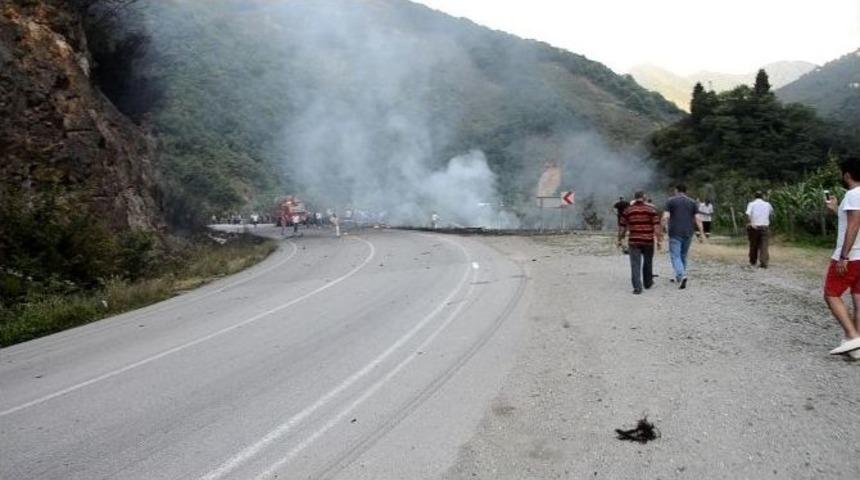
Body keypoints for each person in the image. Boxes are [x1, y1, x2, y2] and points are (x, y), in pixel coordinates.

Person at [824, 156, 860, 357]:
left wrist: (844, 256)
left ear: (847, 175)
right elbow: (849, 221)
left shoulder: (854, 194)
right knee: (858, 297)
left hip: (851, 256)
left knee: (831, 294)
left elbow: (854, 225)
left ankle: (853, 337)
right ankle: (856, 347)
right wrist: (835, 210)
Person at [618, 191, 662, 294]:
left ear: (635, 197)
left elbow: (622, 226)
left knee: (635, 264)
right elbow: (656, 226)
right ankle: (648, 283)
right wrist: (659, 240)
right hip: (648, 240)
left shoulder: (628, 210)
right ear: (644, 197)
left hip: (634, 241)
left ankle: (637, 287)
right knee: (648, 262)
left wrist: (620, 238)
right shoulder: (651, 210)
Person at [663, 184, 705, 289]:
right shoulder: (693, 202)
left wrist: (663, 229)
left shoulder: (670, 201)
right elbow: (698, 218)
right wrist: (701, 233)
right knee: (683, 255)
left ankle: (682, 275)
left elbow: (666, 217)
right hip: (688, 232)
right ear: (686, 191)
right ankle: (680, 276)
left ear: (676, 190)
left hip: (675, 232)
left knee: (675, 256)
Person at [745, 192, 773, 268]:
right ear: (763, 196)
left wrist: (750, 223)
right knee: (764, 245)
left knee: (753, 244)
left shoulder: (751, 204)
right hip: (764, 226)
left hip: (754, 226)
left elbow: (748, 214)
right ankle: (764, 262)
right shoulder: (767, 204)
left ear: (754, 196)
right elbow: (771, 213)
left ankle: (753, 261)